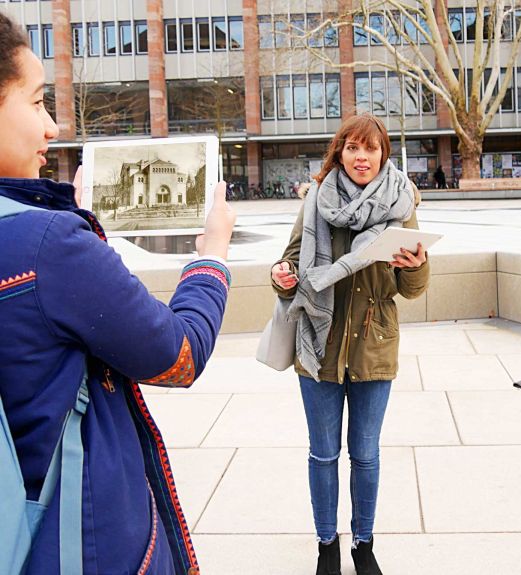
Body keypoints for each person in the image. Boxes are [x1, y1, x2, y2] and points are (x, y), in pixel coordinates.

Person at [0, 14, 236, 573]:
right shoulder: (46, 245)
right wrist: (212, 256)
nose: (53, 126)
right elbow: (177, 355)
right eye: (36, 103)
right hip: (81, 545)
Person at [270, 114, 429, 575]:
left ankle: (363, 542)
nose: (363, 157)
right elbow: (291, 262)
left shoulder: (402, 203)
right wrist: (281, 277)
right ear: (339, 152)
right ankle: (326, 544)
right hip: (317, 343)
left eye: (371, 149)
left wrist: (415, 264)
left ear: (384, 155)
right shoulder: (317, 200)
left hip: (373, 344)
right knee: (323, 453)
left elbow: (413, 288)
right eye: (354, 148)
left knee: (365, 453)